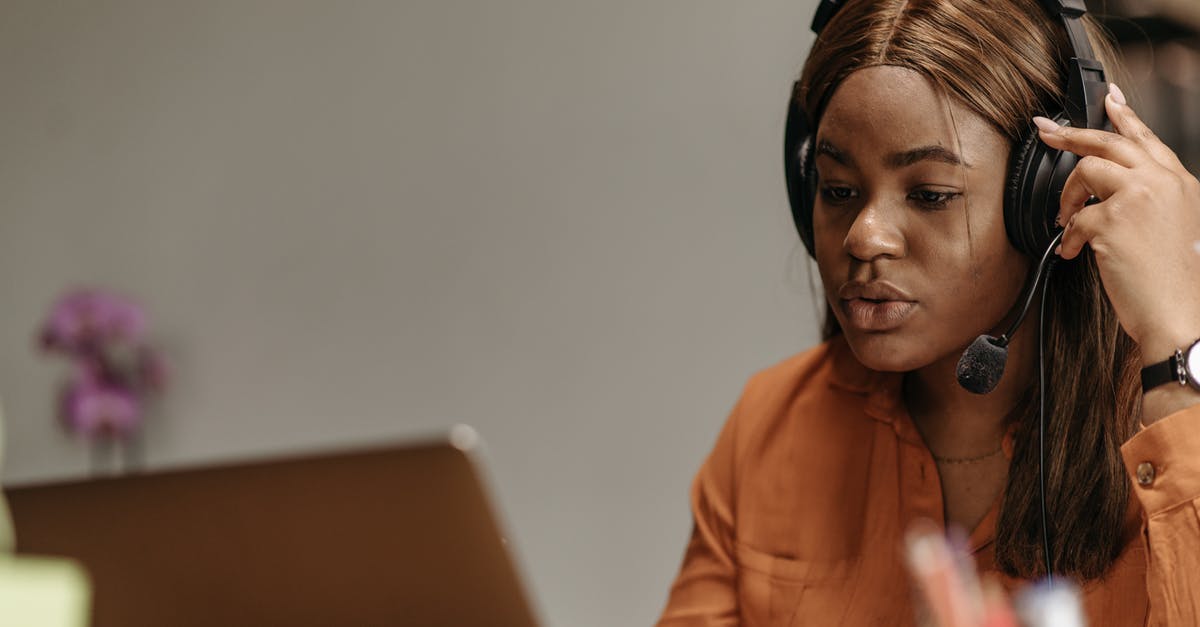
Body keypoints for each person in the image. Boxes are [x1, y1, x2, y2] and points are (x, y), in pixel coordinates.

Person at [655, 0, 1200, 625]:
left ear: (1051, 197)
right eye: (838, 190)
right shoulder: (771, 427)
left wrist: (1178, 344)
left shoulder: (1178, 433)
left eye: (930, 194)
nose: (864, 237)